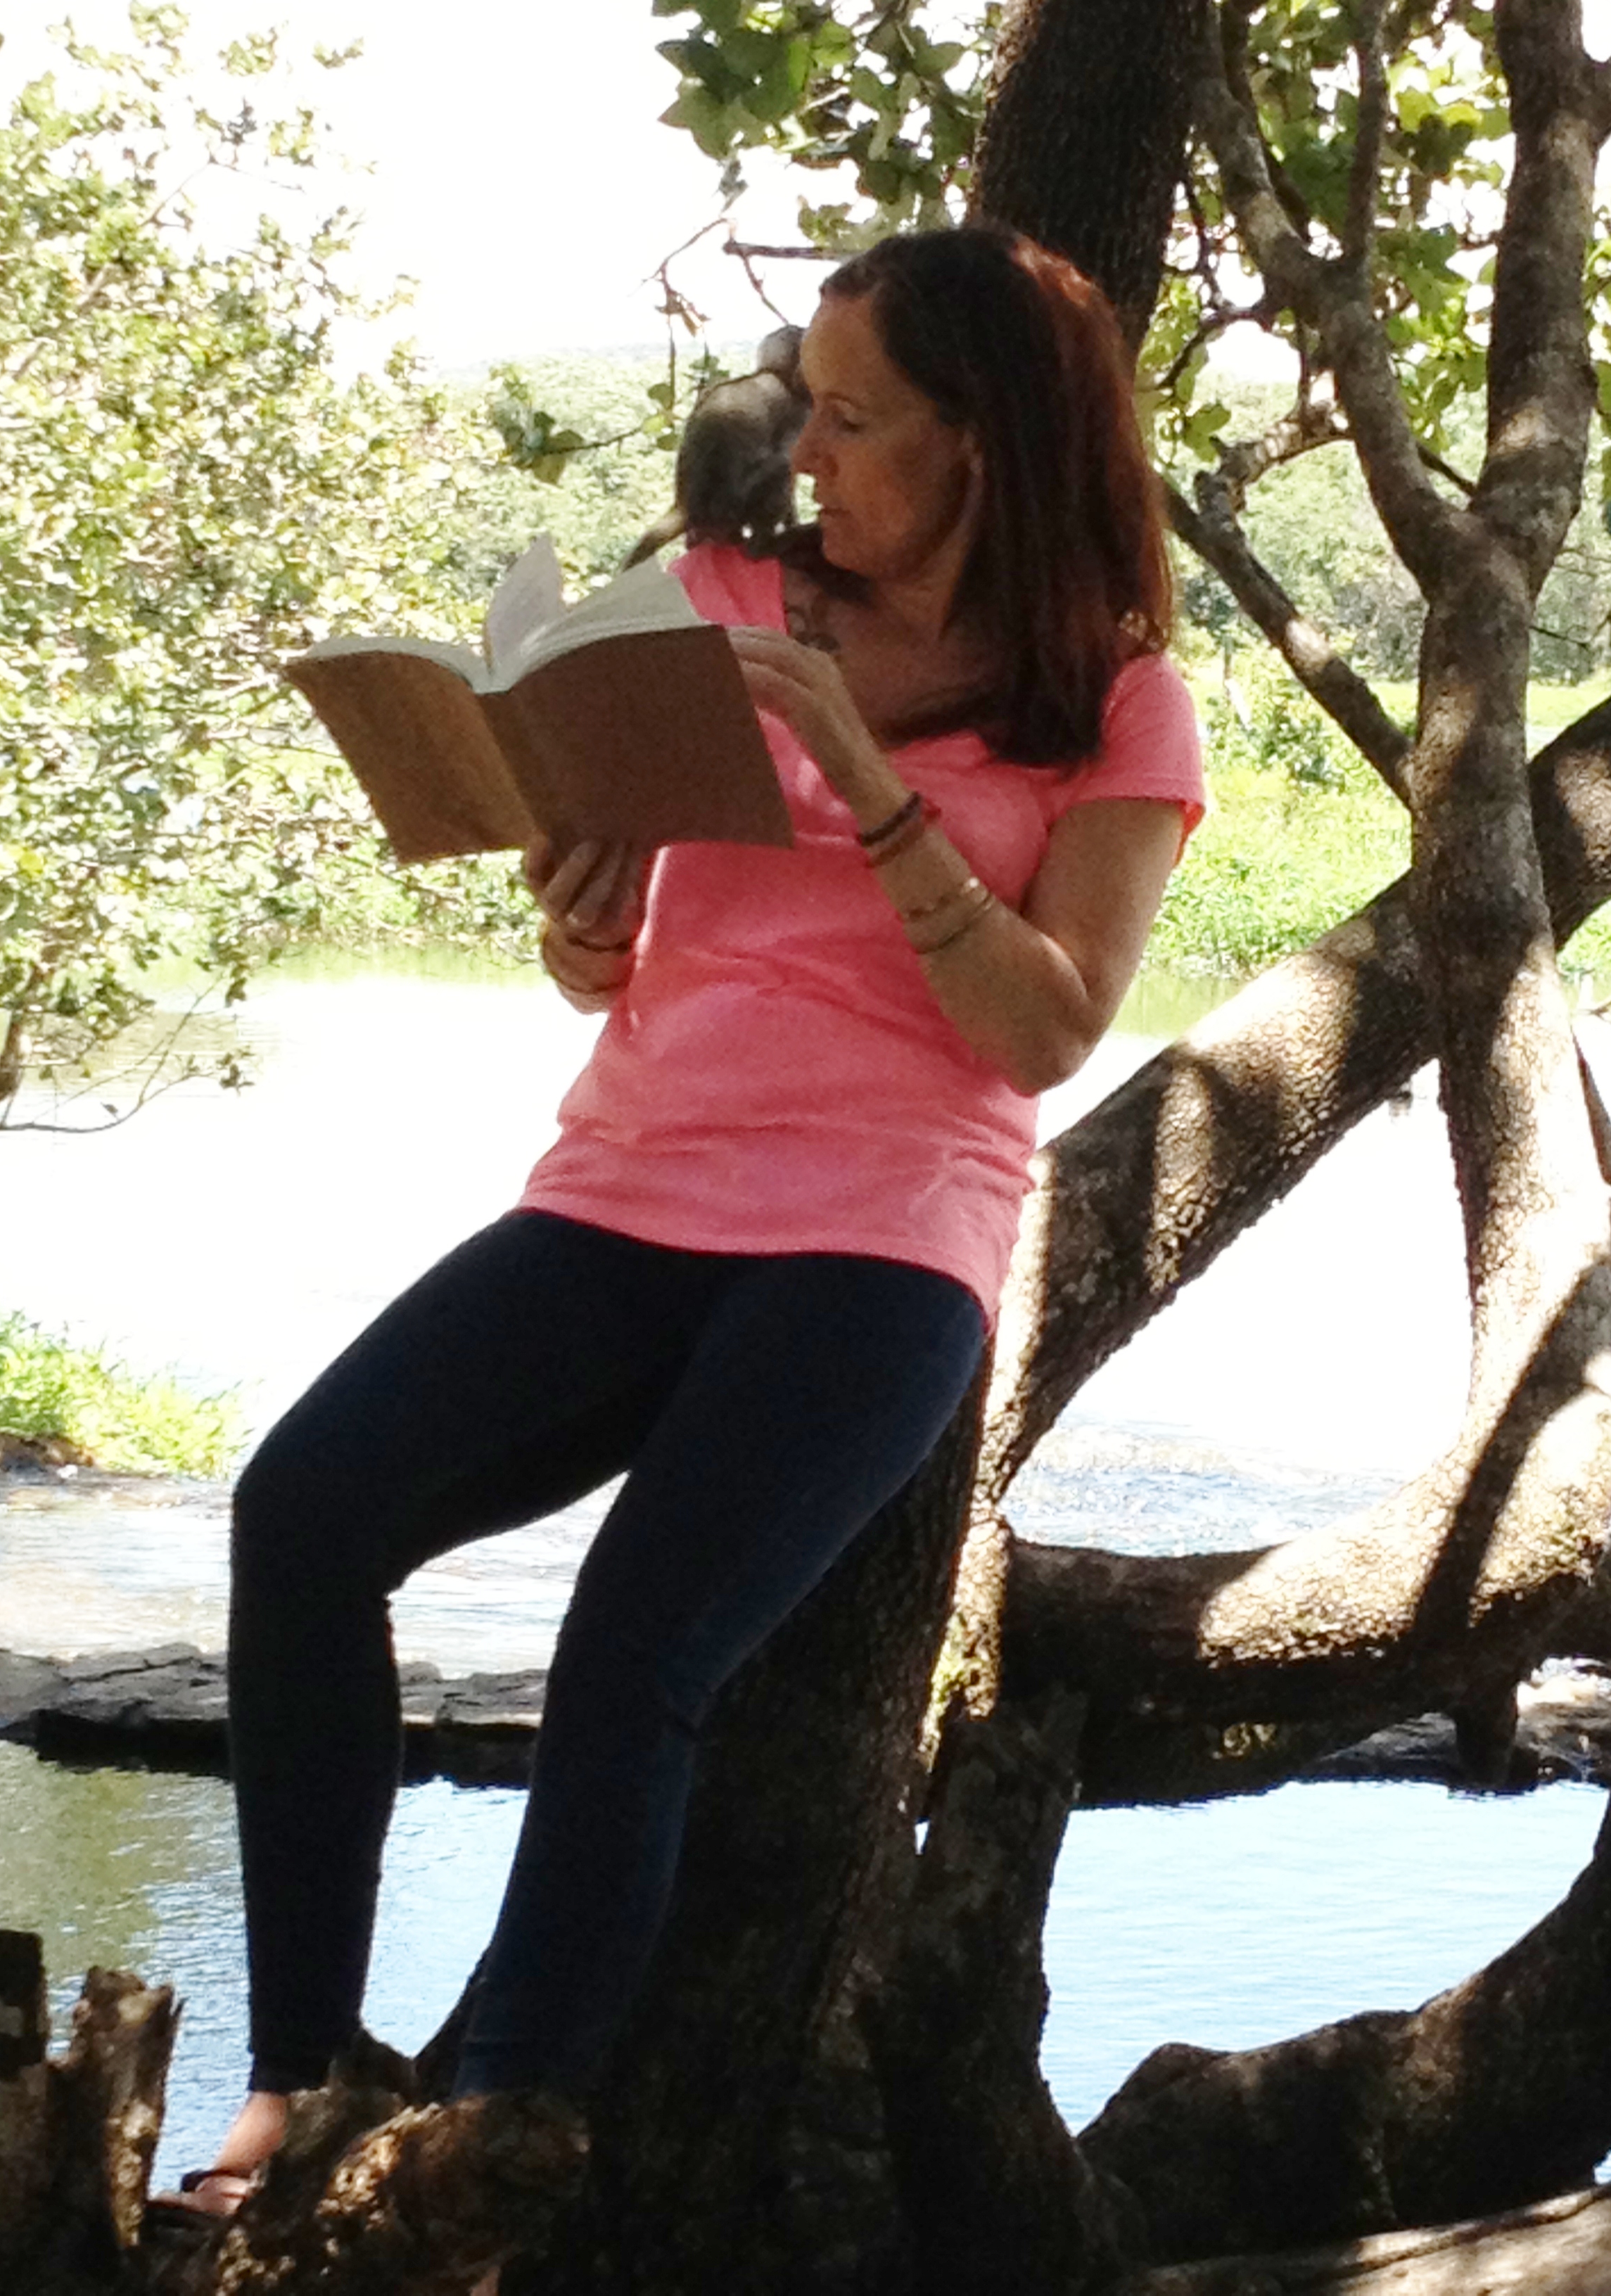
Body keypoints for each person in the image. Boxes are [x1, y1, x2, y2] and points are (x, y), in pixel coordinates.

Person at [162, 223, 1204, 2223]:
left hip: (882, 1236)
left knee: (635, 1647)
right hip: (628, 1188)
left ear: (981, 443)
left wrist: (860, 774)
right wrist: (581, 922)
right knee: (302, 1509)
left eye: (855, 419)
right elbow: (622, 949)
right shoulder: (714, 599)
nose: (806, 453)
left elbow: (1048, 1031)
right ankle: (291, 2080)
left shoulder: (1119, 704)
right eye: (809, 404)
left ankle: (490, 2139)